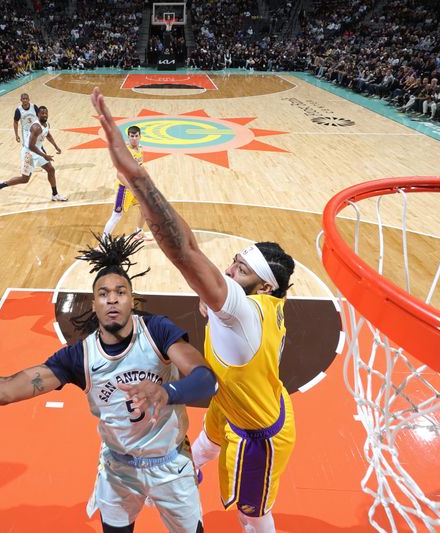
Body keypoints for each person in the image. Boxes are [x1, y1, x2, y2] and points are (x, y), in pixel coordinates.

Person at [0, 234, 217, 533]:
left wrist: (167, 391)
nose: (112, 299)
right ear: (93, 304)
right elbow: (5, 390)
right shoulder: (78, 357)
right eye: (103, 293)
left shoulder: (156, 331)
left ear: (131, 300)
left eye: (120, 292)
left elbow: (205, 380)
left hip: (169, 462)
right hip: (119, 468)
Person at [92, 87, 296, 533]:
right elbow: (196, 246)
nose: (227, 269)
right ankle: (195, 467)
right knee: (204, 438)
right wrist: (147, 194)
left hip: (259, 430)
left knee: (252, 513)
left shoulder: (241, 311)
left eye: (239, 268)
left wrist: (137, 179)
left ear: (261, 285)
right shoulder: (263, 299)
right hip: (241, 396)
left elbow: (183, 252)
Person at [0, 105, 68, 202]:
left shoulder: (46, 124)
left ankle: (55, 194)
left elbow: (48, 134)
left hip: (38, 151)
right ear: (37, 114)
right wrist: (44, 155)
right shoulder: (36, 127)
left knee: (51, 170)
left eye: (46, 113)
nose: (44, 115)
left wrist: (56, 146)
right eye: (42, 113)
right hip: (29, 153)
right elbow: (31, 146)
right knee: (25, 179)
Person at [101, 125, 151, 242]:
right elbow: (119, 174)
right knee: (116, 216)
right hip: (124, 189)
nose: (134, 138)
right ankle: (103, 242)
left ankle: (139, 232)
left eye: (136, 136)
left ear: (140, 136)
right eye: (131, 136)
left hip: (136, 187)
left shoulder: (140, 149)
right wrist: (133, 189)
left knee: (145, 209)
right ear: (128, 137)